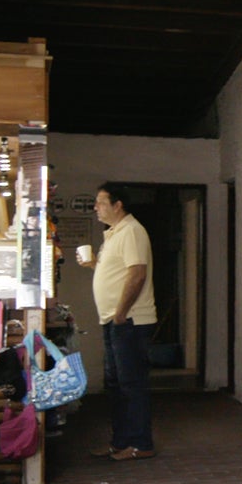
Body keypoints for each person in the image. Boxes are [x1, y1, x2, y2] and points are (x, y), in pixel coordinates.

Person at [78, 181, 157, 460]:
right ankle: (120, 441)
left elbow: (137, 274)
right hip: (115, 319)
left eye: (100, 202)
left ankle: (140, 444)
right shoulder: (113, 233)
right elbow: (118, 271)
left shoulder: (132, 231)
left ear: (117, 205)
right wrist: (94, 265)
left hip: (129, 320)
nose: (96, 208)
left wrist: (122, 312)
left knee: (131, 384)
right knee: (116, 385)